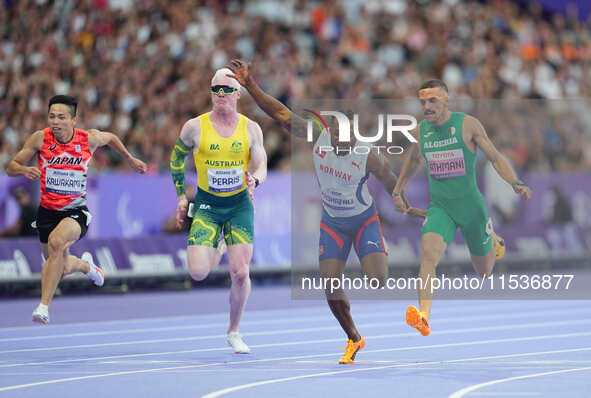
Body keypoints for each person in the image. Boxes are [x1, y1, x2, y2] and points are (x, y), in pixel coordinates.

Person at [225, 59, 426, 364]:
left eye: (341, 134)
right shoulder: (318, 138)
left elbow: (390, 182)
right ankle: (354, 338)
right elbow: (280, 113)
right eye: (332, 132)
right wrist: (250, 84)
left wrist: (400, 199)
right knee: (330, 284)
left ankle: (377, 259)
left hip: (363, 222)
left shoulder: (367, 155)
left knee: (377, 280)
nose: (335, 138)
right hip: (333, 223)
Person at [392, 80, 532, 336]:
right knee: (428, 256)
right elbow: (413, 160)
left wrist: (515, 181)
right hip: (440, 208)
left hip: (471, 208)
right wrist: (398, 189)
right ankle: (424, 315)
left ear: (447, 100)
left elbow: (496, 157)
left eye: (432, 101)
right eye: (423, 102)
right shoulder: (422, 130)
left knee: (484, 272)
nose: (426, 106)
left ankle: (493, 241)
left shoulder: (467, 125)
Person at [5, 95, 147, 324]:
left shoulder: (88, 139)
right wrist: (23, 170)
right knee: (58, 265)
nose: (55, 122)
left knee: (56, 242)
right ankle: (85, 266)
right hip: (47, 212)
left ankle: (43, 307)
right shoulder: (40, 139)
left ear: (74, 120)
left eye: (61, 117)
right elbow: (10, 166)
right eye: (52, 116)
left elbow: (111, 138)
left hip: (75, 212)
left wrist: (130, 159)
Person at [170, 68, 268, 354]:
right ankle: (221, 244)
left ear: (238, 94)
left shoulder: (251, 128)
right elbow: (176, 159)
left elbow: (260, 164)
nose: (221, 95)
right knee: (199, 272)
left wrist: (256, 180)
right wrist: (180, 197)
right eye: (216, 89)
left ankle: (234, 330)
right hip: (206, 206)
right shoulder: (194, 127)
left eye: (227, 90)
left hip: (239, 206)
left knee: (240, 272)